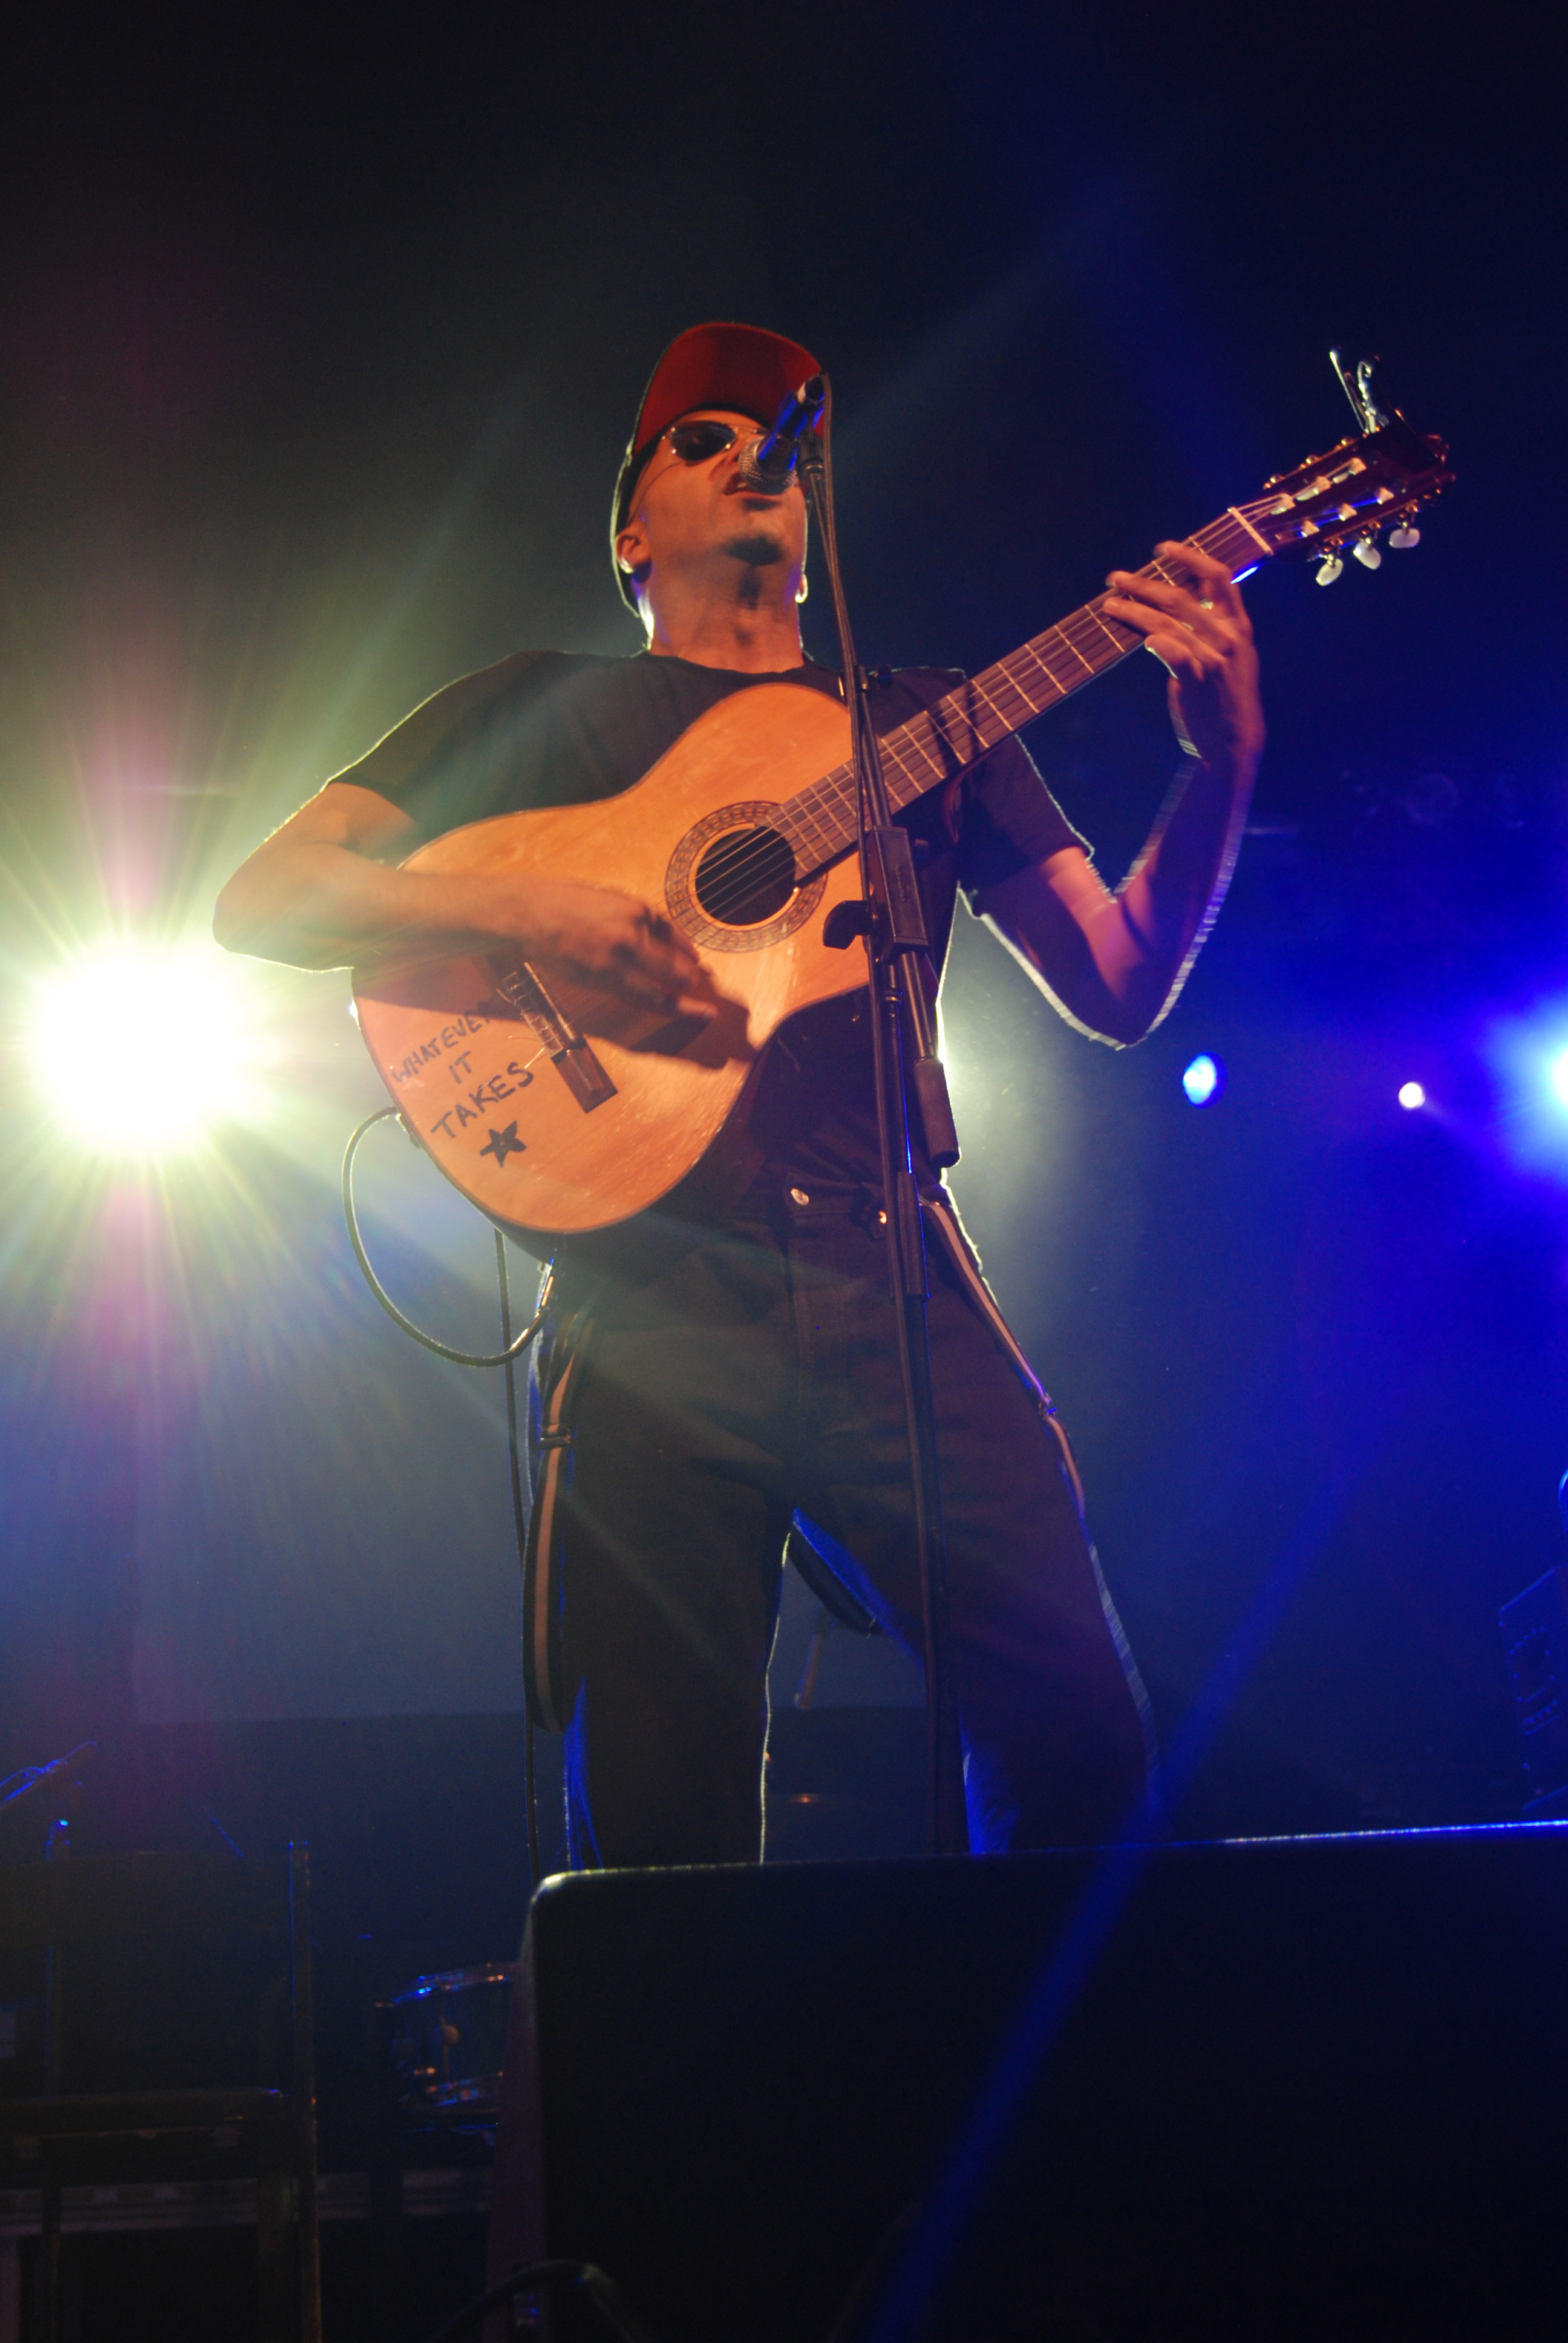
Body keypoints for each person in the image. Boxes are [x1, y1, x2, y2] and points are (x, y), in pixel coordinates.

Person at [215, 321, 1264, 1867]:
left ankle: (1034, 2031)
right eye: (702, 438)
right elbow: (266, 897)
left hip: (892, 1278)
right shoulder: (537, 703)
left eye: (781, 440)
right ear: (632, 535)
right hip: (647, 1305)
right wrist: (532, 907)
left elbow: (1119, 980)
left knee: (1083, 1746)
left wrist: (1221, 762)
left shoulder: (927, 716)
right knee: (662, 1829)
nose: (755, 454)